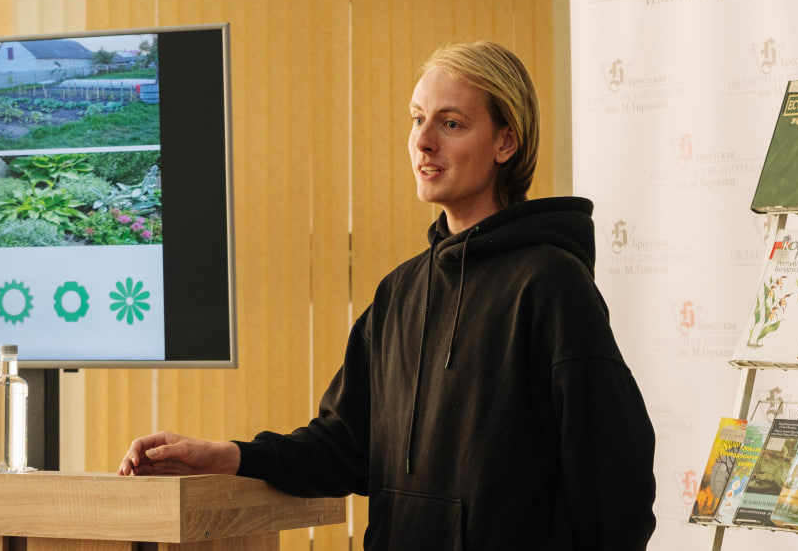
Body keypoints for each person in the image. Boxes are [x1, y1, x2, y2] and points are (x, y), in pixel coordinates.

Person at [118, 41, 656, 550]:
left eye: (451, 123)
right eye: (418, 119)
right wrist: (228, 456)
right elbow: (344, 447)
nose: (424, 141)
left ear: (505, 143)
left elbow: (617, 490)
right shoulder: (400, 292)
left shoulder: (551, 284)